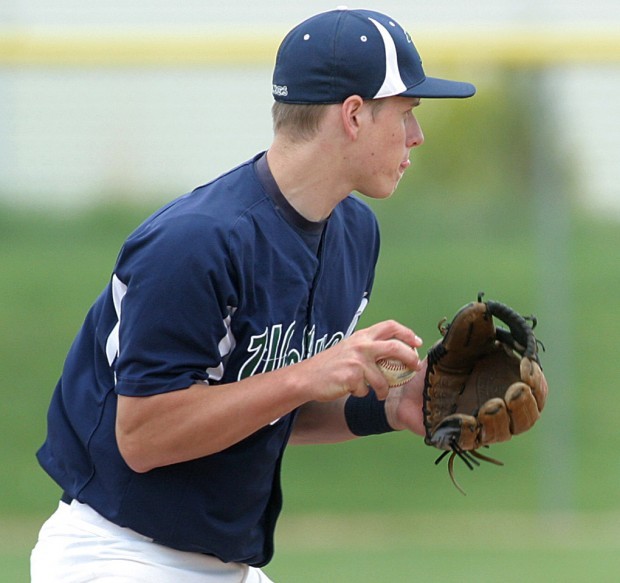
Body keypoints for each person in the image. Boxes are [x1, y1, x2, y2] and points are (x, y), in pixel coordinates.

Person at [31, 7, 475, 582]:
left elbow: (260, 409)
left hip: (226, 565)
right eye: (407, 112)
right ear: (354, 115)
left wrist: (389, 406)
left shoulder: (355, 234)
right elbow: (143, 435)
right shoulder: (196, 243)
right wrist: (307, 375)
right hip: (117, 555)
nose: (417, 135)